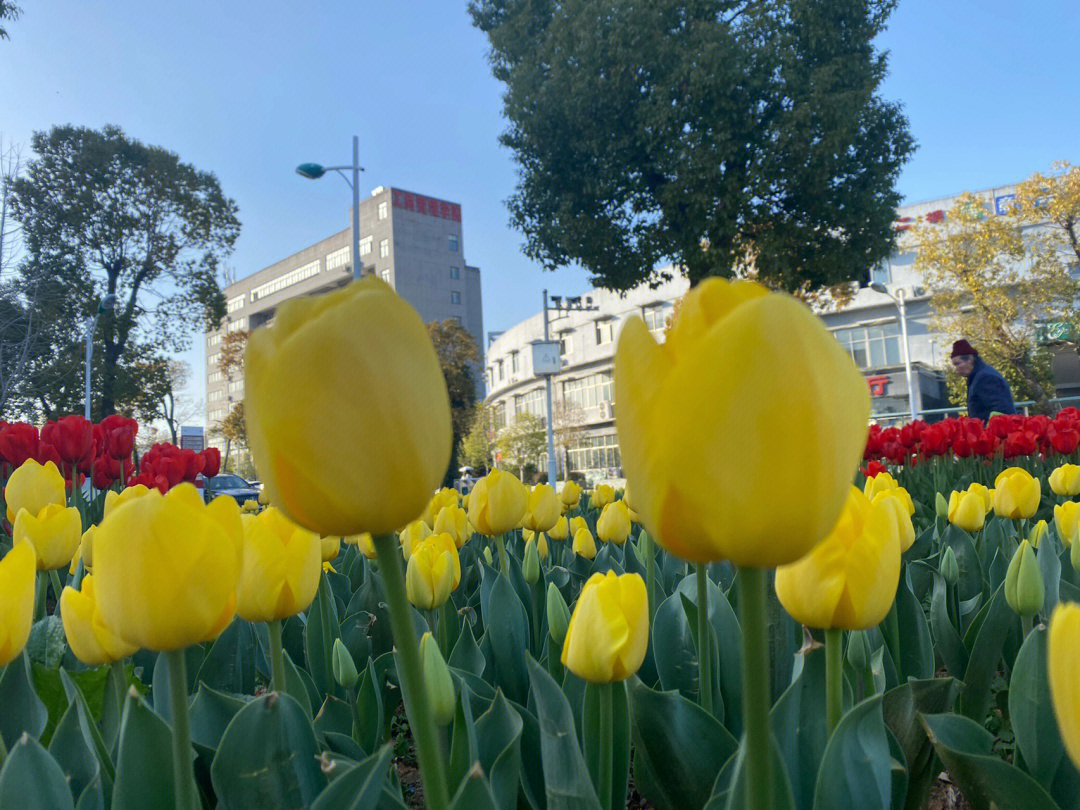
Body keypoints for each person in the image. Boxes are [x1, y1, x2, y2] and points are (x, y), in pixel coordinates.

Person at [950, 339, 1015, 422]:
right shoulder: (978, 376)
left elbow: (1001, 411)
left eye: (958, 364)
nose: (956, 369)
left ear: (970, 359)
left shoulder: (986, 378)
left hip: (995, 431)